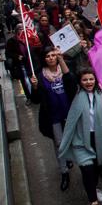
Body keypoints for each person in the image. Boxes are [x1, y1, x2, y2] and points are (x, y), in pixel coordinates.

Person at [58, 69, 102, 205]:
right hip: (81, 140)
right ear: (80, 82)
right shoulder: (75, 95)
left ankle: (94, 188)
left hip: (98, 138)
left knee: (95, 168)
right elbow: (68, 77)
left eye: (91, 79)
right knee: (87, 170)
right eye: (85, 80)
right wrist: (61, 60)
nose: (88, 82)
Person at [30, 47, 77, 191]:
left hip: (69, 114)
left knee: (74, 141)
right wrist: (35, 87)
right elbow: (35, 100)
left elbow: (72, 85)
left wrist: (62, 59)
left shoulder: (64, 70)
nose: (50, 58)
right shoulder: (39, 75)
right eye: (47, 56)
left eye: (53, 55)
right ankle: (64, 172)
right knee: (59, 144)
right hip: (53, 117)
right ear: (44, 59)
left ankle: (70, 159)